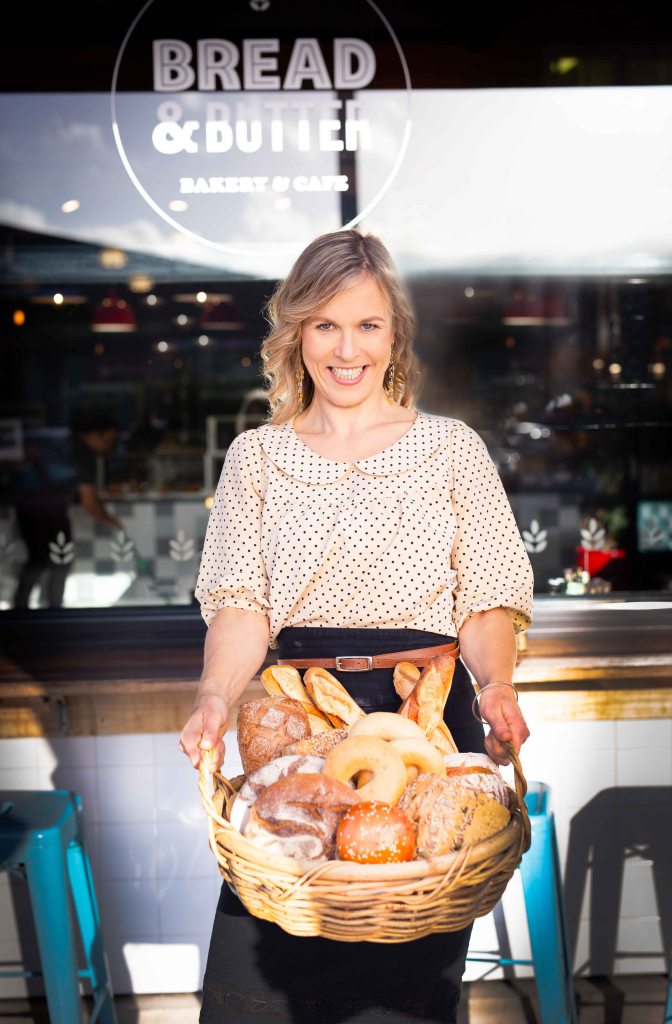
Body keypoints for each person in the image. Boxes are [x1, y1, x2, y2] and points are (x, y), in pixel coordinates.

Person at [179, 228, 534, 1024]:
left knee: (403, 985)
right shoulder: (256, 457)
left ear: (394, 333)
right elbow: (240, 606)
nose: (347, 349)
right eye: (326, 325)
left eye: (367, 325)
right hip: (294, 725)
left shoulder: (451, 449)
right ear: (296, 334)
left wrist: (497, 686)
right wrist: (212, 695)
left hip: (425, 721)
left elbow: (484, 603)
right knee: (257, 982)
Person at [13, 407, 122, 608]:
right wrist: (114, 522)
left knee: (37, 560)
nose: (108, 446)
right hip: (51, 513)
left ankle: (20, 610)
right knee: (60, 560)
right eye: (107, 440)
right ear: (93, 434)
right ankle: (54, 611)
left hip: (26, 508)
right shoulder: (83, 455)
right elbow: (90, 503)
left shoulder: (60, 444)